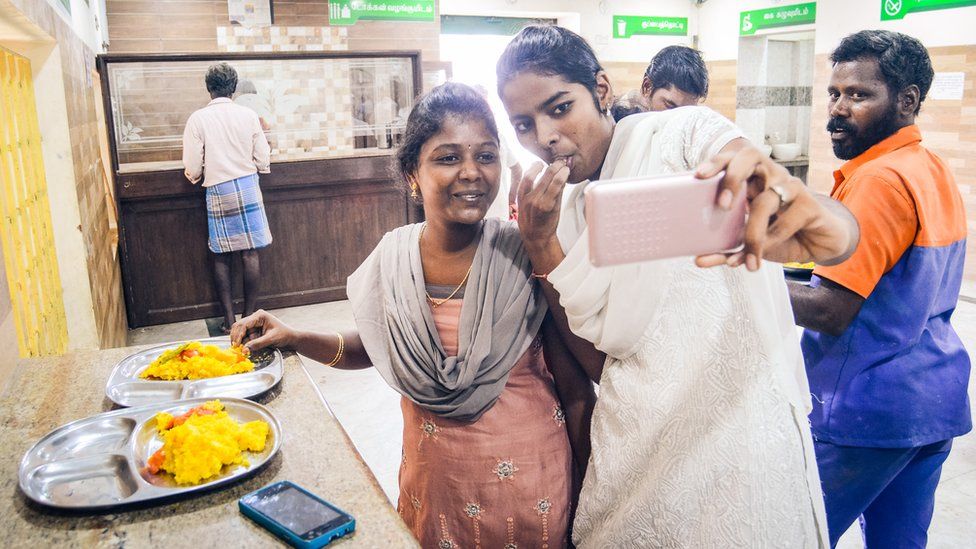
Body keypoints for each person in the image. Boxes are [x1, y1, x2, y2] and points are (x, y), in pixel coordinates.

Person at [496, 25, 860, 547]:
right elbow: (598, 362)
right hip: (636, 448)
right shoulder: (568, 210)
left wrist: (791, 213)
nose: (545, 136)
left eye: (559, 107)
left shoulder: (682, 133)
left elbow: (829, 235)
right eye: (523, 124)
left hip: (738, 436)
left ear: (600, 90)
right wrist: (540, 243)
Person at [231, 82, 595, 548]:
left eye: (486, 156)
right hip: (437, 487)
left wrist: (589, 491)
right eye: (447, 158)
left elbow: (575, 386)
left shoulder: (527, 251)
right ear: (411, 174)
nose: (471, 173)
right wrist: (297, 336)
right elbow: (380, 348)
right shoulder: (394, 258)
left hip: (533, 490)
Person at [788, 30, 971, 548]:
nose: (839, 109)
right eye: (834, 93)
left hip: (867, 413)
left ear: (907, 101)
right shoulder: (928, 166)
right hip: (932, 400)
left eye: (859, 95)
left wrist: (740, 283)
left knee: (797, 533)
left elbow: (830, 309)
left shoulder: (879, 180)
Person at [182, 62, 272, 334]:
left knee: (221, 254)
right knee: (250, 252)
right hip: (247, 185)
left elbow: (193, 165)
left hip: (218, 188)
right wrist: (261, 167)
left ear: (208, 88)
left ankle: (229, 319)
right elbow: (263, 157)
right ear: (233, 88)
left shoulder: (198, 118)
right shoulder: (248, 115)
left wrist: (194, 176)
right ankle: (249, 317)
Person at [640, 45, 709, 111]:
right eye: (670, 106)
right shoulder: (630, 121)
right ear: (647, 87)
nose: (679, 119)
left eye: (687, 113)